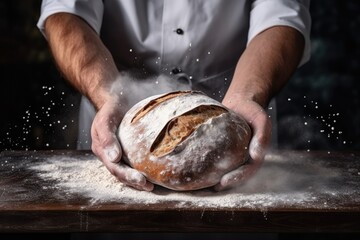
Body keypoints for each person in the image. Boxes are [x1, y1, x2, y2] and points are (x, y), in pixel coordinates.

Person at [37, 0, 311, 191]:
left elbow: (282, 13)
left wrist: (247, 95)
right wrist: (110, 96)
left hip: (238, 102)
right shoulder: (113, 103)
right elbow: (65, 13)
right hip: (118, 112)